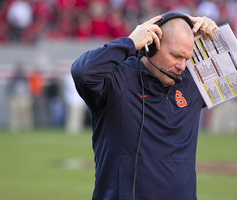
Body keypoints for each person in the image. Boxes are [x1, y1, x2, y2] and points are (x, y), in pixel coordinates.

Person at [71, 11, 217, 200]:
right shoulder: (118, 80)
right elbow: (83, 72)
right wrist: (129, 43)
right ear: (152, 46)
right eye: (176, 56)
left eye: (186, 58)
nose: (182, 66)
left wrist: (213, 34)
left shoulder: (191, 83)